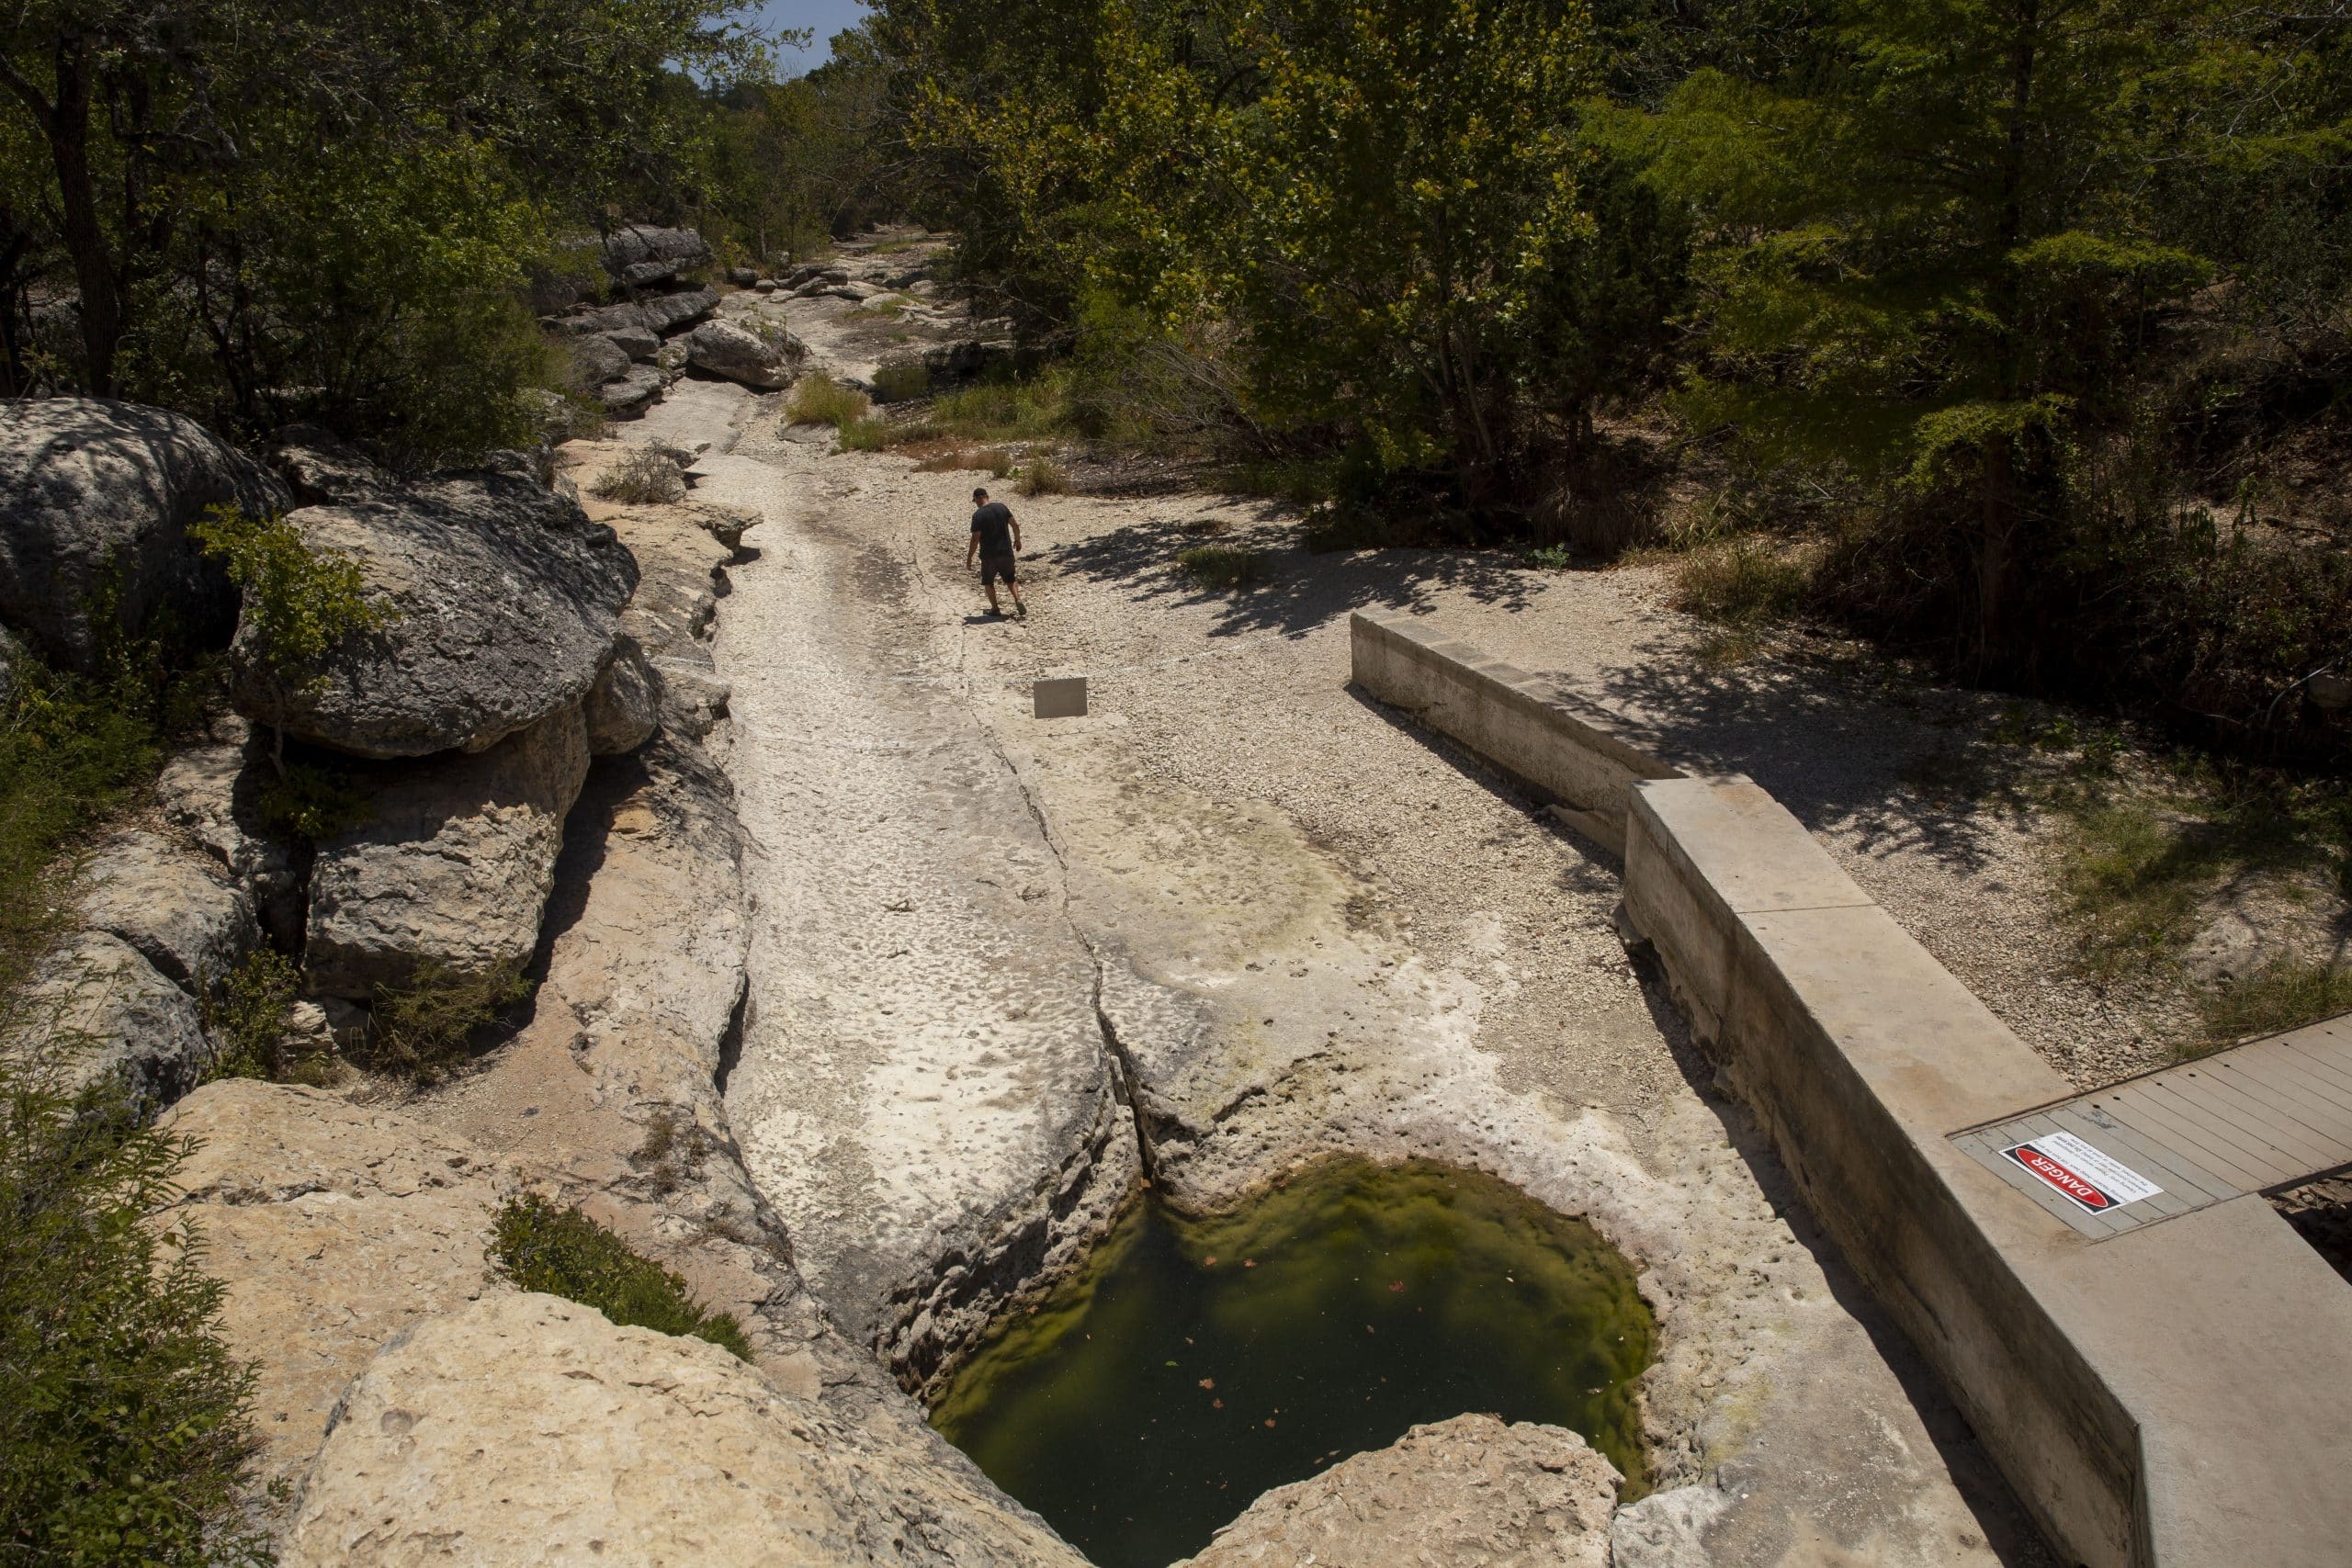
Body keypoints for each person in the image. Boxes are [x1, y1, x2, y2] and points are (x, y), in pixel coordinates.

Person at [965, 486, 1026, 618]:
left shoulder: (978, 515)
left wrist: (969, 557)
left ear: (976, 499)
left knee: (988, 582)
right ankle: (1017, 599)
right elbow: (1015, 524)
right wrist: (1018, 540)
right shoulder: (1001, 507)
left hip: (989, 556)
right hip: (1006, 552)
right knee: (1010, 579)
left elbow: (975, 538)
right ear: (987, 497)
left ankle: (995, 609)